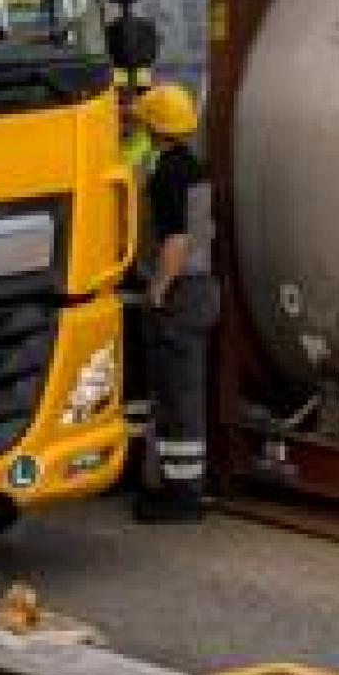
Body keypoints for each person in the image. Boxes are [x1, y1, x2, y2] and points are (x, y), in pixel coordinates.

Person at [124, 81, 216, 523]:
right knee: (180, 391)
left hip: (180, 293)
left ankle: (182, 496)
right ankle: (179, 484)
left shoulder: (165, 175)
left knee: (177, 396)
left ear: (153, 125)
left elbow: (176, 240)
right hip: (200, 289)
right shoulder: (194, 168)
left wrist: (158, 287)